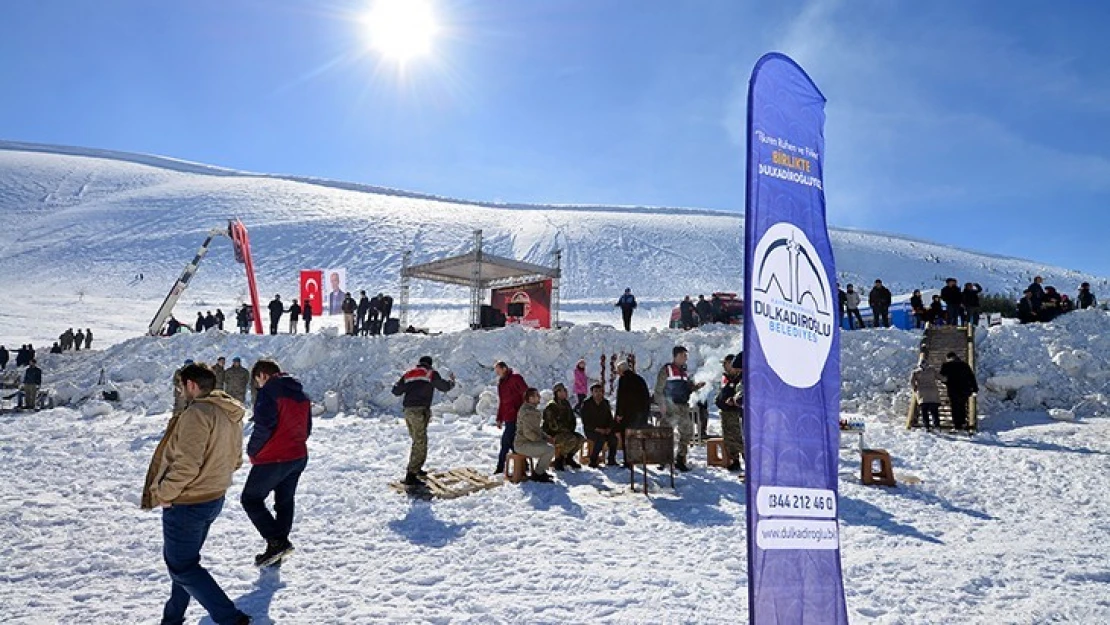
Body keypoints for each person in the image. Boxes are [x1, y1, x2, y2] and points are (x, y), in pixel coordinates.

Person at [140, 363, 250, 625]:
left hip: (187, 501)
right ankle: (172, 617)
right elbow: (235, 460)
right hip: (213, 497)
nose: (180, 391)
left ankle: (230, 618)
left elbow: (187, 464)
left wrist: (165, 492)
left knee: (182, 567)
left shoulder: (197, 413)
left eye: (181, 386)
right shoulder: (228, 412)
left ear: (191, 385)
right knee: (185, 564)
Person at [242, 359, 312, 568]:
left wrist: (252, 450)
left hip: (274, 457)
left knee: (251, 499)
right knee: (284, 502)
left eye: (257, 382)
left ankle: (277, 542)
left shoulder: (269, 391)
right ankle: (276, 551)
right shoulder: (301, 394)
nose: (258, 387)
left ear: (262, 375)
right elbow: (307, 428)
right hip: (297, 455)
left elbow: (263, 426)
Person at [391, 356, 456, 485]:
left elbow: (396, 391)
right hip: (419, 411)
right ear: (429, 364)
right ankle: (411, 475)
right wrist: (452, 382)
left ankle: (417, 468)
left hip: (408, 411)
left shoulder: (409, 374)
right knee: (420, 441)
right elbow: (443, 387)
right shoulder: (430, 373)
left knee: (417, 440)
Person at [654, 346, 705, 471]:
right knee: (665, 433)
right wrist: (661, 404)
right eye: (684, 355)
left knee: (687, 433)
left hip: (683, 406)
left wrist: (695, 387)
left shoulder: (684, 372)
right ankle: (662, 459)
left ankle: (680, 459)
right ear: (676, 356)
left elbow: (687, 388)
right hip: (670, 406)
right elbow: (658, 389)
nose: (686, 358)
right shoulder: (667, 369)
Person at [513, 388, 556, 482]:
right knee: (549, 449)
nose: (539, 397)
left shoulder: (531, 410)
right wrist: (543, 440)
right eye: (537, 396)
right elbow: (529, 433)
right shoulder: (528, 412)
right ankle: (538, 474)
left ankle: (540, 471)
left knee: (550, 447)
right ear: (531, 398)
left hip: (527, 441)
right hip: (523, 444)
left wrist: (546, 437)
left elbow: (536, 429)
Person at [494, 361, 528, 475]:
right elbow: (502, 403)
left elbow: (526, 393)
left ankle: (500, 467)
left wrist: (525, 410)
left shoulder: (516, 378)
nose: (497, 372)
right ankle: (524, 465)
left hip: (518, 415)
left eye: (498, 370)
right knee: (512, 442)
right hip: (508, 417)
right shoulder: (501, 384)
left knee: (505, 441)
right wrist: (499, 418)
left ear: (504, 368)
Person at [543, 383, 585, 471]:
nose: (564, 393)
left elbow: (572, 419)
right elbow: (553, 425)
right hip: (552, 434)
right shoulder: (552, 406)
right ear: (556, 393)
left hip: (566, 431)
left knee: (580, 439)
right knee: (570, 439)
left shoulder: (566, 403)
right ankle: (559, 460)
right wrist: (566, 430)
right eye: (561, 391)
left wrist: (571, 429)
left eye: (565, 391)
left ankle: (569, 458)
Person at [715, 354, 744, 472]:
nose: (724, 367)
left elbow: (740, 395)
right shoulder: (726, 377)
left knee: (739, 439)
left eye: (726, 364)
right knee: (729, 439)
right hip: (725, 412)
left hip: (735, 413)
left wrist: (733, 400)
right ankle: (734, 460)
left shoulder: (740, 378)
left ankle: (748, 462)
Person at [580, 383, 618, 467]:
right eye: (596, 391)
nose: (598, 393)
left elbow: (610, 418)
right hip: (591, 430)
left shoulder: (605, 403)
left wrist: (609, 428)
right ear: (592, 393)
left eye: (600, 391)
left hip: (605, 429)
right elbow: (586, 421)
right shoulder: (586, 404)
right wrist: (597, 429)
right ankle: (593, 460)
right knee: (600, 439)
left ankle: (611, 459)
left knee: (613, 439)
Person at [939, 352, 978, 431]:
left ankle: (957, 424)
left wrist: (946, 382)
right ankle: (963, 422)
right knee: (962, 405)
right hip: (964, 389)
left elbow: (942, 377)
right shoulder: (964, 365)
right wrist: (975, 388)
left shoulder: (946, 365)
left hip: (952, 389)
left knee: (955, 407)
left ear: (948, 357)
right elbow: (971, 377)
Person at [615, 361, 651, 430]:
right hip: (642, 412)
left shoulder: (623, 379)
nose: (618, 373)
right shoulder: (639, 379)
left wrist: (619, 414)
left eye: (618, 371)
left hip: (629, 414)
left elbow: (622, 398)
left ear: (621, 371)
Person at [911, 359, 942, 431]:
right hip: (933, 394)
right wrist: (946, 379)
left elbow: (912, 382)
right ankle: (937, 426)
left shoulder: (915, 372)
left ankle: (927, 426)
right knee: (934, 412)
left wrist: (915, 388)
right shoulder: (932, 370)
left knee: (924, 412)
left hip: (922, 394)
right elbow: (941, 378)